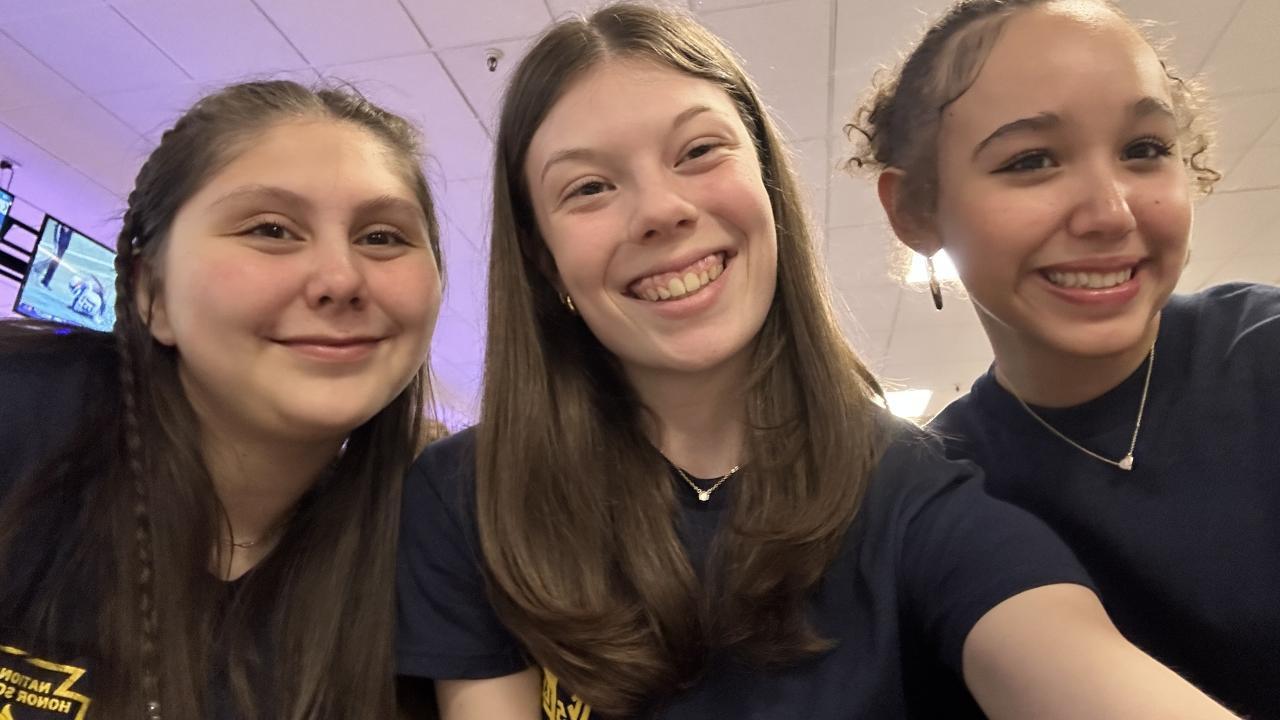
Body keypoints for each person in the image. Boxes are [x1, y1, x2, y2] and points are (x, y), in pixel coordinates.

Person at [395, 4, 1238, 719]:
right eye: (588, 188)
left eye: (699, 151)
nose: (660, 210)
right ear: (543, 259)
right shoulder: (466, 497)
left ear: (768, 184)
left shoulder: (908, 486)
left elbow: (1060, 651)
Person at [850, 0, 1278, 715]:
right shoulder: (934, 491)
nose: (1110, 213)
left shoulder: (1262, 353)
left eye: (1144, 149)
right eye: (1032, 160)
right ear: (915, 211)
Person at [0, 80, 444, 720]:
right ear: (151, 294)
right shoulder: (21, 417)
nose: (342, 279)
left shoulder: (434, 570)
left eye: (381, 238)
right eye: (272, 229)